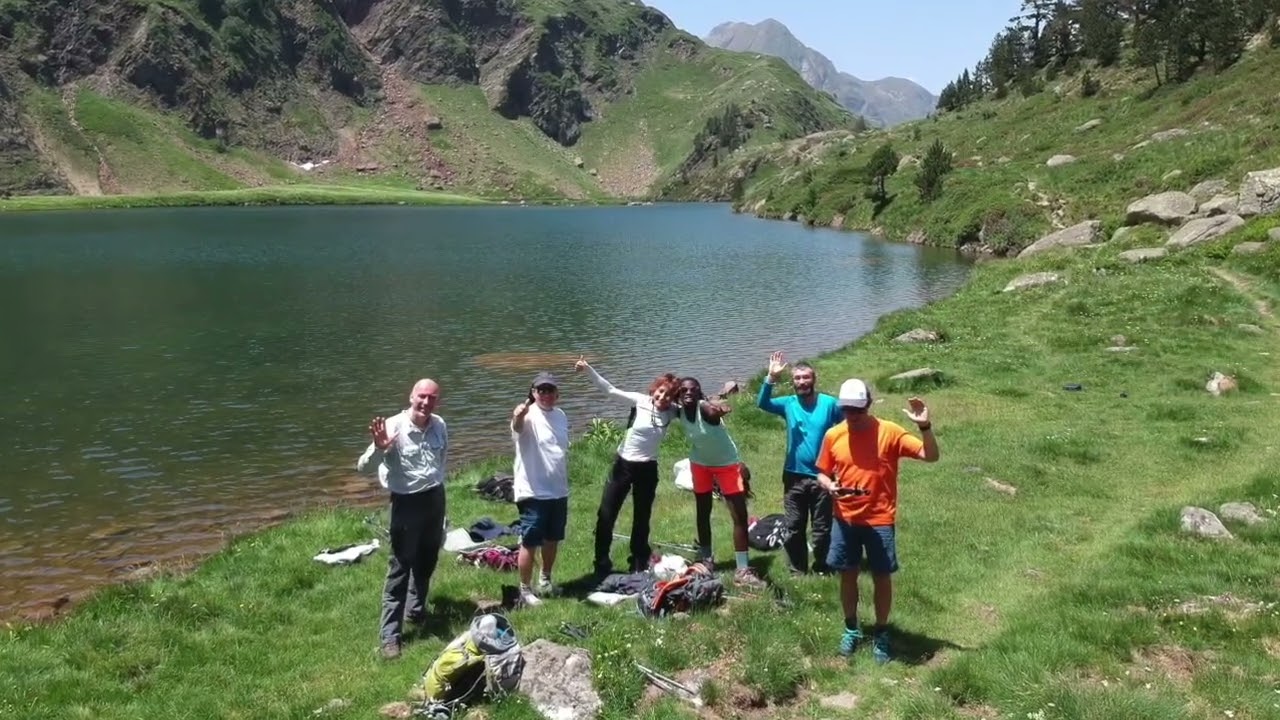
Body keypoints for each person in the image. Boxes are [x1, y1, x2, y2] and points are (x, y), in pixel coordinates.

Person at [815, 378, 939, 664]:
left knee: (882, 576)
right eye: (847, 409)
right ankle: (851, 629)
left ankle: (881, 633)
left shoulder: (889, 432)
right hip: (844, 518)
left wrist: (925, 427)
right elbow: (821, 471)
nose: (852, 415)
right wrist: (828, 485)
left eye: (858, 409)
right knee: (847, 574)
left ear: (868, 405)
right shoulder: (834, 435)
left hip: (880, 519)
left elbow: (931, 456)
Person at [356, 378, 449, 660]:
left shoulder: (439, 425)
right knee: (400, 567)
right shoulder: (393, 426)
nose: (426, 402)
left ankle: (415, 611)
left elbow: (441, 459)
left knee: (427, 559)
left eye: (432, 398)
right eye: (422, 396)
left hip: (435, 497)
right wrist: (379, 448)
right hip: (406, 503)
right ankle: (390, 637)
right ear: (411, 397)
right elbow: (362, 468)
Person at [574, 355, 679, 577]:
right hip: (623, 466)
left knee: (642, 516)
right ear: (654, 390)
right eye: (660, 391)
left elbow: (694, 409)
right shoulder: (640, 401)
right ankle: (602, 560)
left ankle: (639, 560)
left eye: (668, 395)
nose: (662, 397)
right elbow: (610, 390)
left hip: (648, 469)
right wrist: (588, 369)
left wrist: (713, 408)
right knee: (606, 514)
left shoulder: (672, 411)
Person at [756, 351, 843, 575]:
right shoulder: (788, 403)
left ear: (814, 379)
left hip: (824, 476)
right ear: (793, 381)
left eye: (806, 377)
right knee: (794, 526)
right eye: (797, 378)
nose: (802, 382)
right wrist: (771, 378)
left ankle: (822, 567)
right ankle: (797, 570)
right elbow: (762, 403)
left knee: (821, 528)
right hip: (793, 476)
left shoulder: (829, 404)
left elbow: (847, 427)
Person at [675, 376, 765, 589]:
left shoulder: (704, 409)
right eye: (684, 390)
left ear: (699, 392)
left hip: (727, 465)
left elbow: (713, 411)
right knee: (702, 511)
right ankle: (706, 560)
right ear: (678, 394)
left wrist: (720, 410)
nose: (688, 393)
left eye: (693, 389)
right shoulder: (679, 411)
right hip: (700, 464)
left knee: (739, 515)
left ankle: (742, 570)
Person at [510, 371, 570, 607]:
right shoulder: (526, 415)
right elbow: (517, 428)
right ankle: (525, 590)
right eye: (541, 390)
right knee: (530, 541)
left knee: (553, 538)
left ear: (557, 393)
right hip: (533, 492)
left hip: (558, 490)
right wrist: (517, 416)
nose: (546, 394)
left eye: (550, 390)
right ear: (533, 393)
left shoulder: (561, 415)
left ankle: (545, 580)